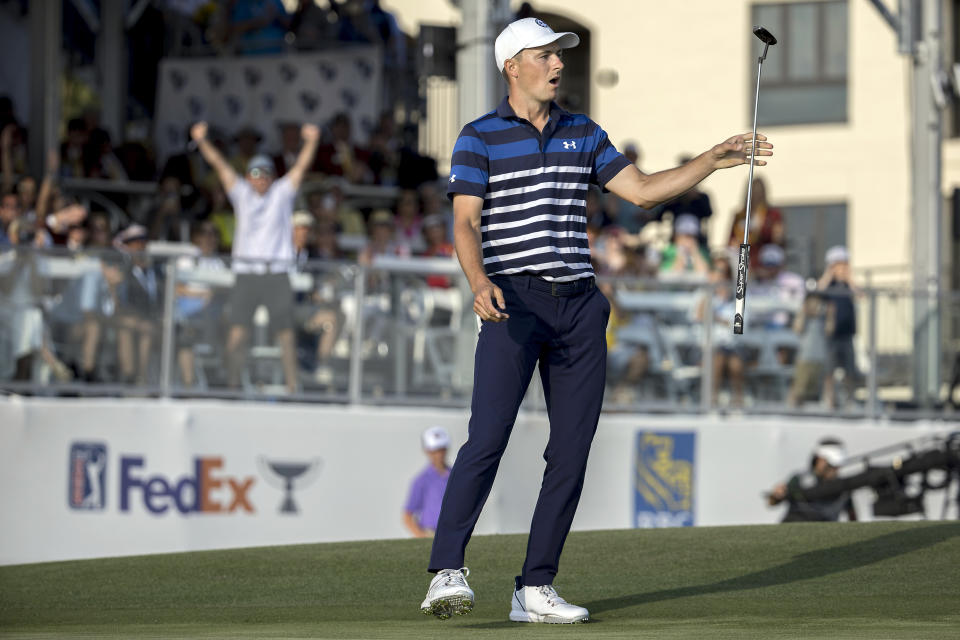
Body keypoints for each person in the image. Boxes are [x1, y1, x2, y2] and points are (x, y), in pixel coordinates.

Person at [420, 17, 773, 624]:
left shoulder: (582, 132)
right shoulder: (479, 136)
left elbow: (640, 190)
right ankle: (446, 570)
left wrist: (713, 159)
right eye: (545, 55)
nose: (558, 64)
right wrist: (479, 281)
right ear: (512, 65)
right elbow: (464, 223)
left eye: (560, 55)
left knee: (573, 448)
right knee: (489, 437)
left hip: (580, 305)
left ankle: (534, 588)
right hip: (512, 303)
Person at [190, 119, 320, 395]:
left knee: (285, 334)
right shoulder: (241, 194)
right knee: (238, 332)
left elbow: (301, 167)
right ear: (248, 176)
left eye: (265, 173)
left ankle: (292, 388)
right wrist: (202, 141)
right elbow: (220, 166)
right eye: (255, 173)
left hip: (276, 273)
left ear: (272, 177)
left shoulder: (281, 194)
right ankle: (232, 387)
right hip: (247, 273)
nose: (260, 178)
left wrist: (311, 141)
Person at [767, 437, 857, 522]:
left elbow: (852, 515)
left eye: (836, 466)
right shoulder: (800, 479)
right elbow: (772, 502)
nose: (834, 470)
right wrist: (776, 495)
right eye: (829, 464)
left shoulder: (843, 487)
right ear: (818, 459)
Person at [818, 245, 858, 409]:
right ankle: (829, 399)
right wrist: (830, 274)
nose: (842, 268)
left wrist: (849, 278)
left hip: (847, 333)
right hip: (830, 334)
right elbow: (819, 292)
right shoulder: (829, 284)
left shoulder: (848, 284)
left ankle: (850, 399)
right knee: (829, 369)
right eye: (838, 265)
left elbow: (860, 294)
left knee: (850, 369)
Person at [403, 426, 452, 539]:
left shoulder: (456, 477)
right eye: (434, 451)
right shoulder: (421, 480)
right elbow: (407, 516)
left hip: (453, 533)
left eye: (441, 449)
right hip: (430, 533)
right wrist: (422, 536)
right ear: (427, 451)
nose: (439, 454)